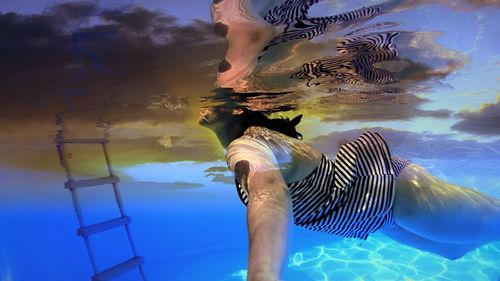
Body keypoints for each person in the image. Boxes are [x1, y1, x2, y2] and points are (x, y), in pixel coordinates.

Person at [199, 106, 500, 281]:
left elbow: (269, 192)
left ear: (242, 116)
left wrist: (263, 276)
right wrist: (222, 128)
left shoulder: (251, 144)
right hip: (380, 219)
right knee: (454, 250)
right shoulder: (250, 148)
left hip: (400, 197)